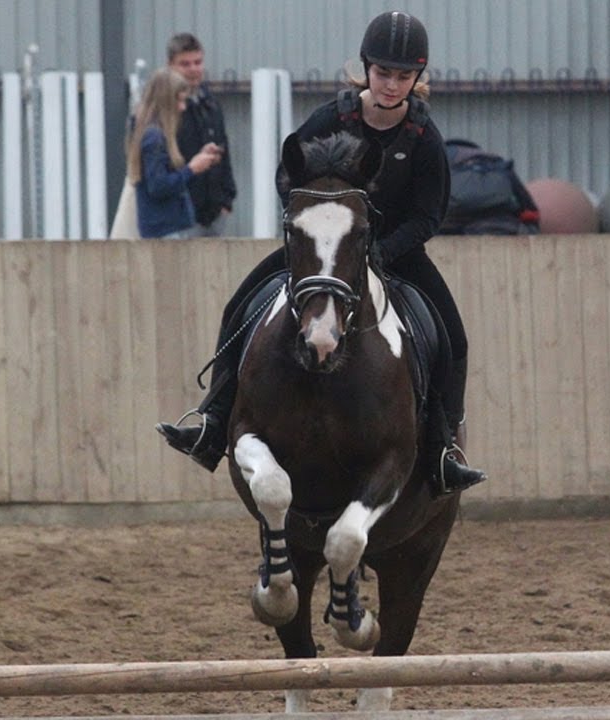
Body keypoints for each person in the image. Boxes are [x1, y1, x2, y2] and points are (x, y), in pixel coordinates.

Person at [156, 10, 487, 494]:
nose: (392, 85)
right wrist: (313, 232)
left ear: (417, 77)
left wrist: (381, 251)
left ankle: (443, 449)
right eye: (383, 73)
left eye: (403, 76)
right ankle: (211, 423)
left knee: (452, 338)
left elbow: (428, 215)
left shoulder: (423, 138)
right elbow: (287, 177)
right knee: (239, 307)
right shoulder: (332, 118)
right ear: (366, 68)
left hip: (394, 252)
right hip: (323, 252)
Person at [126, 68, 224, 239]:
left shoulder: (152, 135)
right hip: (165, 230)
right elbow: (158, 186)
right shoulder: (154, 138)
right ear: (166, 103)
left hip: (167, 228)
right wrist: (191, 169)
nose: (183, 107)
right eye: (179, 101)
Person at [167, 33, 237, 237]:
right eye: (185, 64)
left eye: (197, 62)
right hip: (181, 216)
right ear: (171, 65)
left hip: (215, 213)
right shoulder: (166, 110)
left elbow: (224, 153)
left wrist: (227, 200)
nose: (193, 69)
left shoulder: (210, 104)